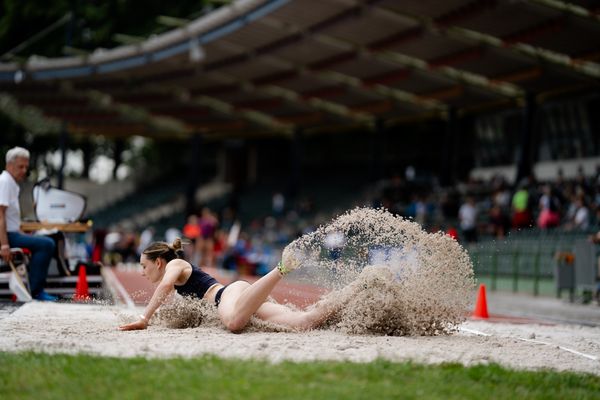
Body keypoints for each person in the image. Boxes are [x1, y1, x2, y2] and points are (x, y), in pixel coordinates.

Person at [119, 238, 334, 332]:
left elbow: (164, 286)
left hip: (227, 295)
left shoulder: (174, 264)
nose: (142, 272)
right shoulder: (177, 272)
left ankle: (281, 268)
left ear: (158, 262)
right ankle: (346, 298)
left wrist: (144, 318)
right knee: (304, 322)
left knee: (233, 322)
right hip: (239, 297)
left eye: (144, 266)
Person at [0, 147, 57, 301]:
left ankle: (34, 288)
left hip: (13, 233)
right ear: (9, 165)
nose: (24, 170)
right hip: (9, 237)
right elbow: (0, 215)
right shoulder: (5, 182)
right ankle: (36, 291)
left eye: (26, 167)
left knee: (42, 240)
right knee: (47, 244)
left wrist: (22, 231)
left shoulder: (11, 183)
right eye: (21, 166)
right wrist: (4, 245)